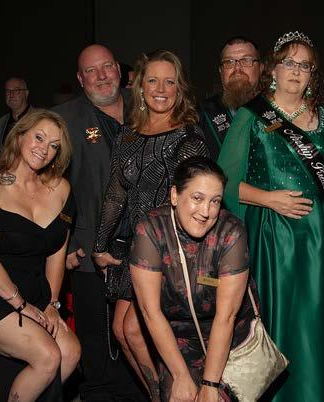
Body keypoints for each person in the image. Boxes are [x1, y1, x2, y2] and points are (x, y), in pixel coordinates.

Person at [218, 31, 324, 402]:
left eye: (305, 65)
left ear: (313, 74)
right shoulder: (252, 115)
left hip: (318, 244)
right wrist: (268, 199)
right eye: (289, 63)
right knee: (276, 326)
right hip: (272, 240)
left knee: (313, 327)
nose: (296, 71)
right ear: (273, 69)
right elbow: (223, 183)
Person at [91, 49, 208, 401]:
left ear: (179, 89)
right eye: (153, 81)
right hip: (133, 246)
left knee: (134, 330)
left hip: (168, 248)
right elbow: (116, 194)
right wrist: (100, 245)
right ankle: (163, 396)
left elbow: (195, 202)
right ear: (140, 87)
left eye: (169, 82)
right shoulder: (128, 135)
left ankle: (178, 393)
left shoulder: (189, 138)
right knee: (122, 330)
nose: (160, 89)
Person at [0, 109, 81, 402]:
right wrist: (21, 305)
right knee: (47, 356)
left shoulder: (61, 189)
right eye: (39, 137)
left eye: (54, 145)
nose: (44, 149)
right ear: (20, 136)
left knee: (70, 352)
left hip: (34, 288)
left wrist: (51, 304)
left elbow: (57, 252)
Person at [53, 44, 146, 401]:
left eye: (107, 67)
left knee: (141, 331)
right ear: (80, 79)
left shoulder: (148, 103)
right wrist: (66, 243)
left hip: (148, 247)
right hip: (91, 250)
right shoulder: (64, 119)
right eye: (91, 71)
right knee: (97, 340)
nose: (102, 75)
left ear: (119, 71)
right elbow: (51, 186)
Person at [131, 156, 259, 402]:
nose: (206, 212)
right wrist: (180, 375)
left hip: (231, 336)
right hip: (177, 338)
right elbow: (150, 312)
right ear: (174, 195)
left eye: (215, 201)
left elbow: (227, 317)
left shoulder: (231, 232)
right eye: (197, 198)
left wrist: (210, 384)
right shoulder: (151, 230)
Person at [199, 36, 262, 159]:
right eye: (229, 62)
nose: (237, 68)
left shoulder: (277, 109)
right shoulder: (201, 114)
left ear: (261, 68)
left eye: (246, 60)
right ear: (220, 71)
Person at [0, 77, 32, 156]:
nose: (11, 95)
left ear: (26, 93)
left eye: (16, 90)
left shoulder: (40, 119)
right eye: (8, 91)